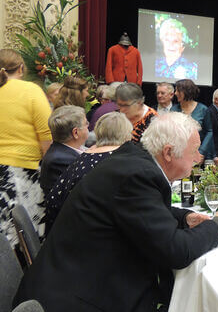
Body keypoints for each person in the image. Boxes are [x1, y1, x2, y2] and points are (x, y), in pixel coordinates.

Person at [14, 112, 218, 311]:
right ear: (169, 152)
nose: (198, 158)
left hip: (71, 278)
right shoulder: (137, 175)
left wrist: (185, 217)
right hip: (81, 298)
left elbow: (138, 212)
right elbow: (176, 251)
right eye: (194, 151)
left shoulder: (133, 159)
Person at [44, 112, 133, 234]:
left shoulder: (85, 156)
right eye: (86, 125)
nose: (88, 126)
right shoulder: (111, 162)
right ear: (127, 137)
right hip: (73, 236)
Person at [0, 49, 52, 246]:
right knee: (25, 239)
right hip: (22, 174)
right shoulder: (31, 91)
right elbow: (46, 137)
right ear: (21, 68)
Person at [39, 106, 89, 197]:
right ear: (76, 133)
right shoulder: (61, 160)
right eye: (86, 124)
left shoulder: (64, 151)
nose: (88, 126)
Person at [171, 79, 215, 160]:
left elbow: (210, 131)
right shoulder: (173, 109)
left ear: (187, 92)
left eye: (178, 91)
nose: (175, 93)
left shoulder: (203, 109)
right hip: (178, 155)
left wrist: (202, 151)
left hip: (197, 153)